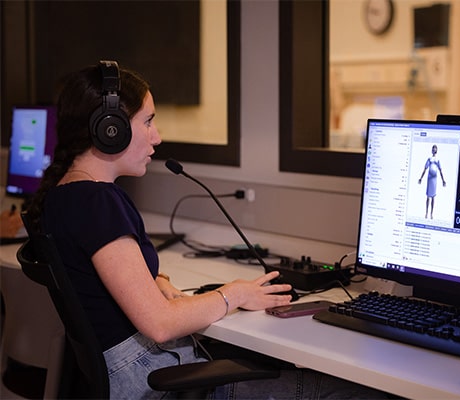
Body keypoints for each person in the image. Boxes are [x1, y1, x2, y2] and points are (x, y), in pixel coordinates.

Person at [26, 61, 392, 399]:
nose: (157, 136)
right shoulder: (98, 203)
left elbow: (97, 279)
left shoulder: (64, 195)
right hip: (151, 383)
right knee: (354, 391)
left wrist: (153, 282)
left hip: (128, 377)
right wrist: (233, 294)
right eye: (148, 121)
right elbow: (159, 325)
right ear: (111, 129)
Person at [418, 144, 446, 219]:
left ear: (436, 150)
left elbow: (440, 170)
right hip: (429, 178)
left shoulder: (438, 160)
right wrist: (421, 178)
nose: (434, 150)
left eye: (435, 149)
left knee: (433, 197)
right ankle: (426, 212)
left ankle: (431, 213)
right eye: (433, 149)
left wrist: (443, 180)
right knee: (428, 196)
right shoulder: (429, 159)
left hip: (434, 179)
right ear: (431, 150)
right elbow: (425, 168)